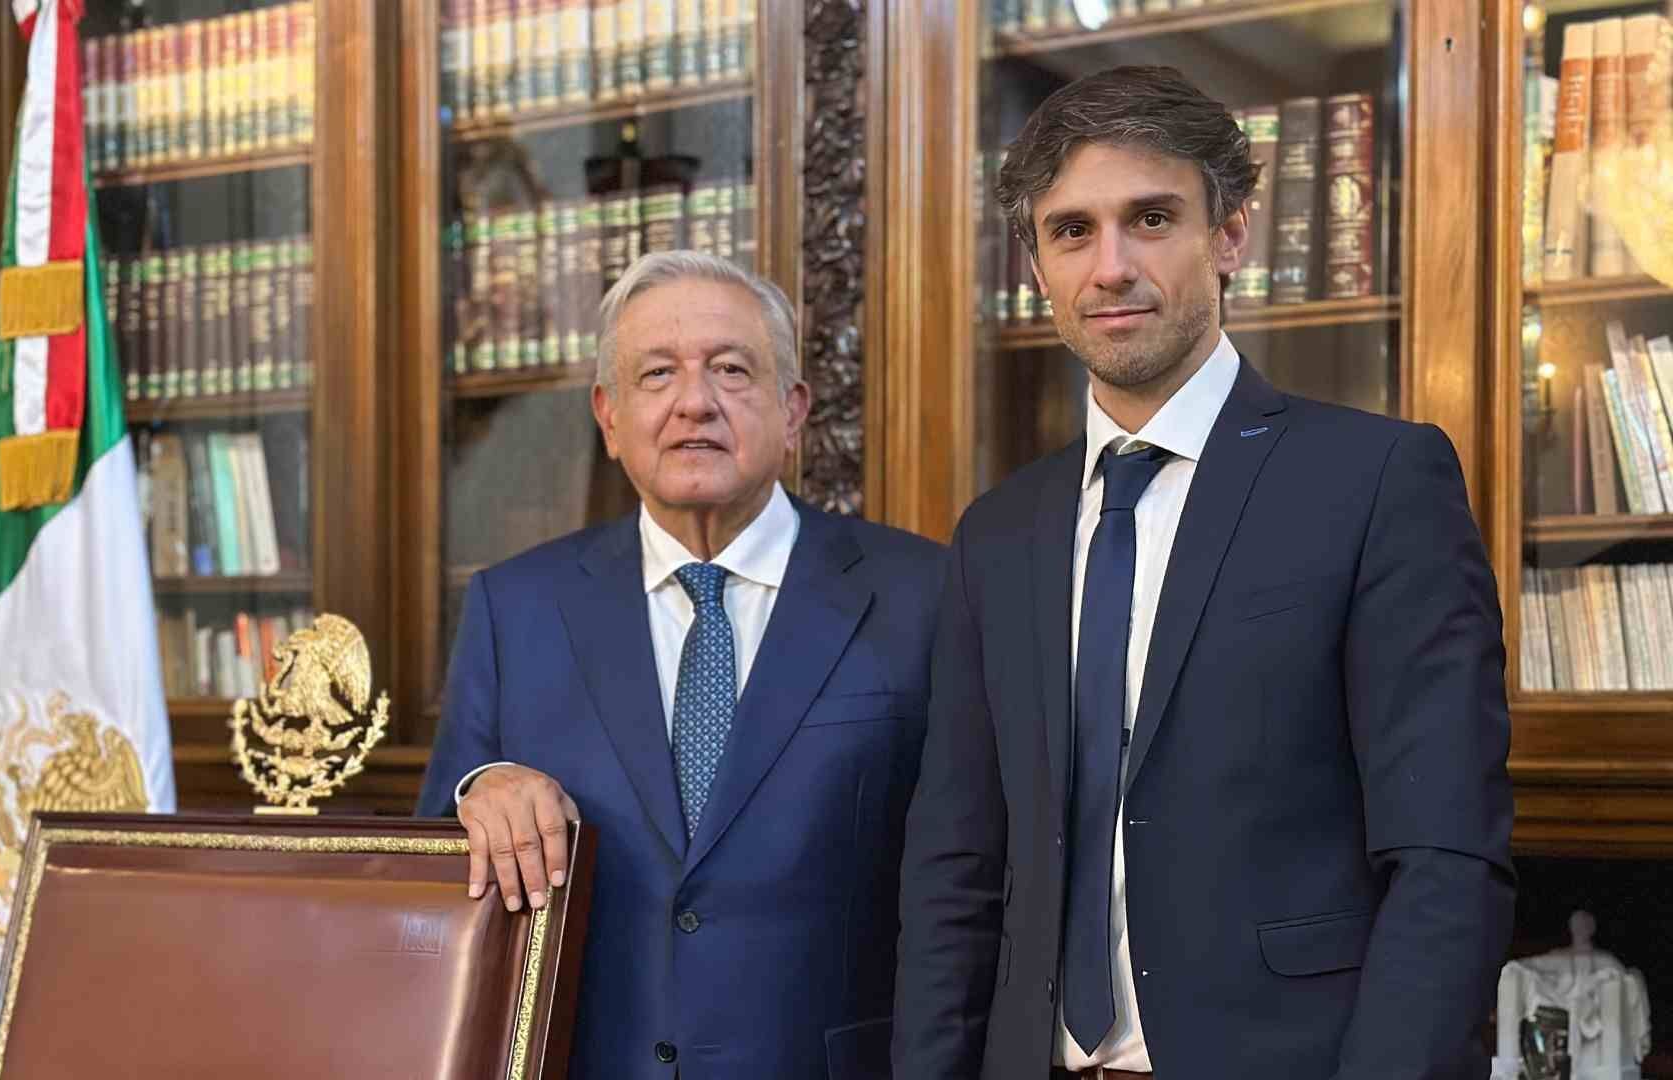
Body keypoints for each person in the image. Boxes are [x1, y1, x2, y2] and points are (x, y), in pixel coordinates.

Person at [893, 66, 1515, 1079]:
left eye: (1151, 218)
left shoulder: (1375, 482)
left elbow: (1445, 861)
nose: (1111, 267)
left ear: (1230, 236)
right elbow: (954, 874)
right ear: (1036, 263)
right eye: (1072, 231)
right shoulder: (997, 536)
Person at [419, 250, 944, 1079]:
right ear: (609, 416)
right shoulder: (514, 608)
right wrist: (481, 786)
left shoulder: (924, 595)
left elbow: (970, 888)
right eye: (656, 374)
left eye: (732, 369)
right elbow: (440, 870)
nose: (694, 402)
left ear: (793, 408)